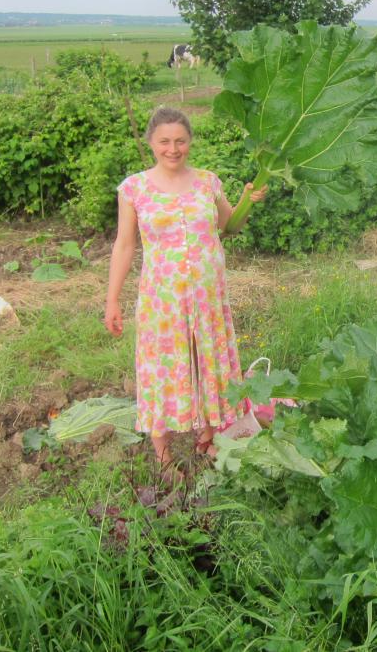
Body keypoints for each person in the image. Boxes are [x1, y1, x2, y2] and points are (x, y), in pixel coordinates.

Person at [104, 106, 267, 476]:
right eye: (164, 141)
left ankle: (207, 434)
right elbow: (124, 245)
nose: (173, 149)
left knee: (206, 359)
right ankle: (162, 452)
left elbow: (230, 226)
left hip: (208, 295)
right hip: (162, 299)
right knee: (162, 365)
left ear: (190, 141)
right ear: (151, 143)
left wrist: (247, 201)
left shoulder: (208, 182)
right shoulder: (134, 188)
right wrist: (111, 299)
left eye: (180, 141)